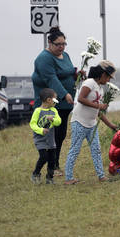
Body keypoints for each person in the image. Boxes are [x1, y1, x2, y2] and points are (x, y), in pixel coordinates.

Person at [31, 27, 82, 177]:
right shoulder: (44, 58)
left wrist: (77, 75)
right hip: (50, 104)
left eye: (63, 44)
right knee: (50, 136)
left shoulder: (65, 55)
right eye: (58, 44)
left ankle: (55, 164)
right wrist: (65, 93)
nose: (61, 47)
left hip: (65, 104)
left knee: (60, 134)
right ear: (49, 43)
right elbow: (51, 79)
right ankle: (48, 167)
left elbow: (68, 72)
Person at [63, 61, 118, 185]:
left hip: (91, 124)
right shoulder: (89, 83)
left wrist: (110, 125)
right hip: (79, 122)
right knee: (75, 150)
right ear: (103, 74)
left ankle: (101, 176)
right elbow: (81, 99)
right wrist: (99, 105)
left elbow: (98, 111)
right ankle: (68, 178)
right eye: (109, 77)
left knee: (96, 150)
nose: (109, 80)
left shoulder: (100, 89)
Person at [29, 88, 61, 184]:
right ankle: (36, 173)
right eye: (54, 99)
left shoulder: (54, 110)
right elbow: (32, 124)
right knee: (44, 157)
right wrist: (41, 130)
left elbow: (59, 121)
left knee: (52, 159)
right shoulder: (37, 111)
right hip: (40, 140)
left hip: (51, 140)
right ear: (48, 100)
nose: (56, 101)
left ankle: (50, 178)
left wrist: (53, 120)